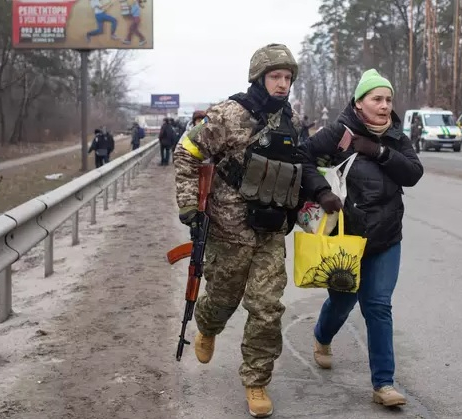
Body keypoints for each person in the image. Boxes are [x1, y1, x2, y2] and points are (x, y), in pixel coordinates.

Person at [174, 43, 304, 418]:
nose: (282, 84)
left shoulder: (290, 120)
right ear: (259, 78)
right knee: (222, 300)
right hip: (229, 232)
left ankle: (256, 381)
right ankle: (207, 326)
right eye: (275, 77)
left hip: (271, 232)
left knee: (267, 308)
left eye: (287, 78)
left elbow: (299, 164)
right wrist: (188, 206)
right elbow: (187, 153)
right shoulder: (229, 114)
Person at [297, 69, 424, 407]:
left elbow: (413, 174)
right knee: (342, 301)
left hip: (385, 239)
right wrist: (322, 192)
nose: (384, 106)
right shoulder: (339, 133)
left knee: (378, 306)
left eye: (388, 99)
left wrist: (380, 152)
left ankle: (384, 384)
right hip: (345, 239)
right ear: (359, 102)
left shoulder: (397, 137)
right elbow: (303, 158)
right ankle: (322, 337)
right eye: (377, 99)